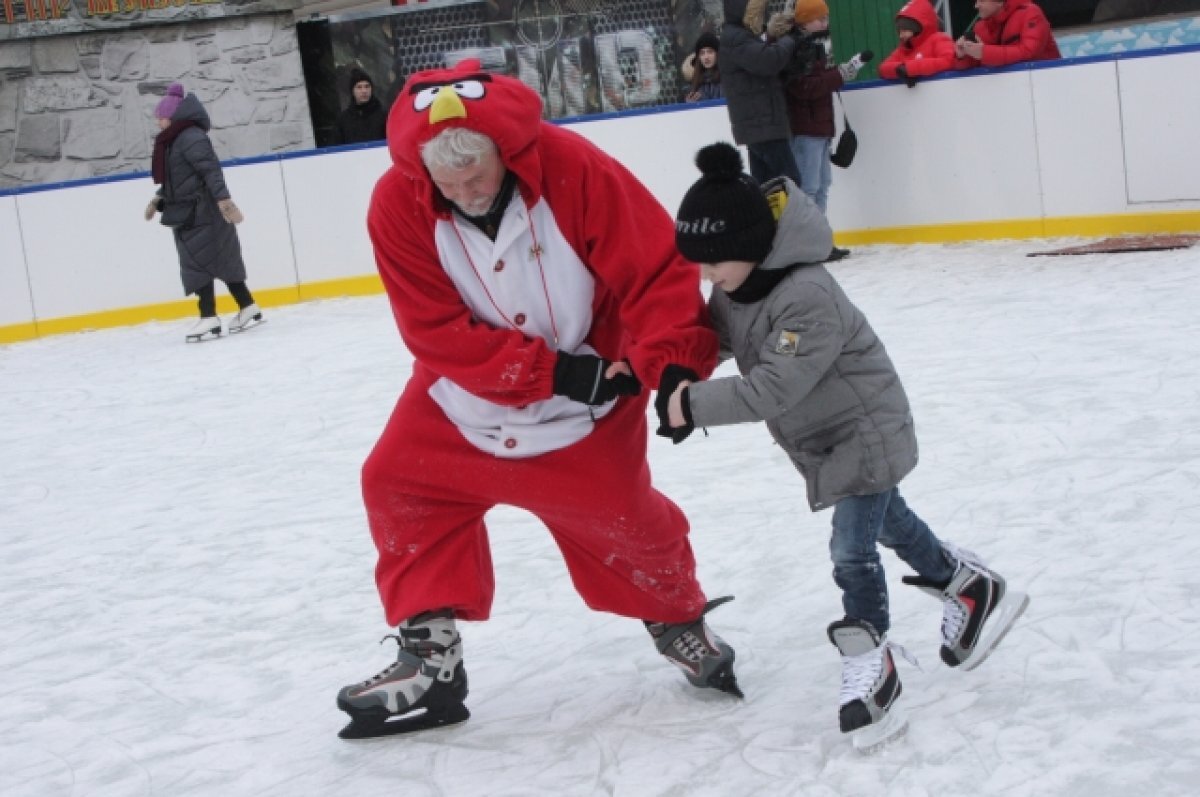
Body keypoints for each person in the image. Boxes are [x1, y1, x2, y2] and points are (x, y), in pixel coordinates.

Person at [333, 59, 741, 740]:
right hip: (463, 396)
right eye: (448, 181)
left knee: (625, 516)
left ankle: (677, 619)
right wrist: (547, 372)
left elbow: (652, 269)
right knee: (397, 480)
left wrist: (672, 365)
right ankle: (430, 659)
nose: (464, 191)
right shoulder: (396, 202)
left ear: (509, 151)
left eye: (479, 175)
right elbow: (431, 328)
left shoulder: (575, 168)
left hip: (593, 395)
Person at [663, 142, 1030, 749]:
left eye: (714, 263)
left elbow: (772, 387)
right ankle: (966, 584)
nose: (707, 277)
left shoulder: (807, 293)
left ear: (752, 245)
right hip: (825, 437)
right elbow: (721, 340)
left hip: (865, 428)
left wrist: (690, 406)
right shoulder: (740, 285)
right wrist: (672, 372)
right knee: (893, 525)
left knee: (850, 550)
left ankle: (870, 657)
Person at [143, 83, 262, 342]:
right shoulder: (177, 140)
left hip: (200, 211)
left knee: (197, 263)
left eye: (161, 118)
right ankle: (247, 306)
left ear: (172, 117)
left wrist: (225, 201)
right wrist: (159, 197)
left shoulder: (189, 138)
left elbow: (210, 170)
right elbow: (179, 178)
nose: (158, 123)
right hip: (189, 209)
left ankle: (208, 317)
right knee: (216, 260)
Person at [781, 0, 870, 260]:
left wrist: (842, 71)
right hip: (806, 127)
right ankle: (809, 244)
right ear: (805, 20)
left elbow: (816, 82)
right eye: (819, 18)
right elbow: (805, 87)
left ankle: (819, 242)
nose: (825, 23)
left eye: (825, 18)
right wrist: (841, 73)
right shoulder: (797, 48)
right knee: (809, 188)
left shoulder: (816, 45)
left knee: (821, 186)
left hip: (819, 126)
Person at [719, 0, 803, 186]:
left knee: (767, 185)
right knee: (789, 183)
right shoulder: (737, 38)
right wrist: (790, 40)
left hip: (760, 125)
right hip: (762, 125)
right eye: (756, 12)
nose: (759, 17)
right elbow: (769, 60)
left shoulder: (743, 37)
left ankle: (766, 216)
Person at [878, 0, 962, 87]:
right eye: (899, 31)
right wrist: (900, 70)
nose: (900, 35)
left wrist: (910, 69)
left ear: (917, 27)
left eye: (904, 30)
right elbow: (882, 69)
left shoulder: (939, 39)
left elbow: (949, 61)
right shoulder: (904, 48)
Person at [954, 0, 1061, 67]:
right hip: (1006, 91)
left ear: (999, 2)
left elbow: (1030, 52)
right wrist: (962, 56)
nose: (976, 5)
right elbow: (973, 66)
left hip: (1047, 84)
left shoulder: (1030, 13)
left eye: (981, 0)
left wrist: (984, 53)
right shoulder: (980, 27)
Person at [334, 67, 388, 145]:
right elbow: (336, 148)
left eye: (367, 86)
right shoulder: (343, 119)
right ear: (352, 91)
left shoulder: (384, 116)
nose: (364, 91)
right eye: (359, 87)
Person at [682, 31, 723, 102]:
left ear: (717, 54)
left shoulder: (727, 79)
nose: (706, 57)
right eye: (702, 53)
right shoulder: (695, 84)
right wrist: (690, 105)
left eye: (710, 52)